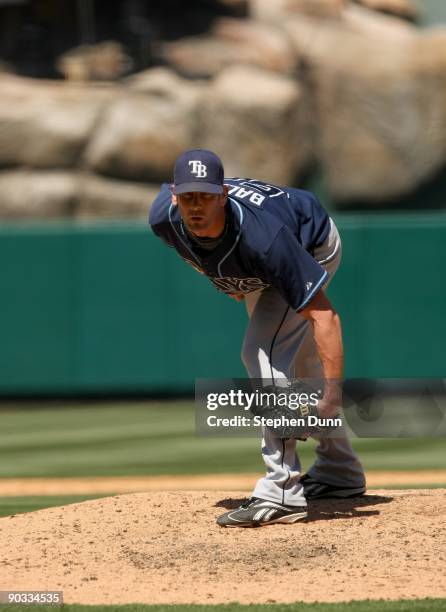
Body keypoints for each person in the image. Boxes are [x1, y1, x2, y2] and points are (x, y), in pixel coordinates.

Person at [149, 148, 366, 527]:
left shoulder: (266, 239)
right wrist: (222, 277)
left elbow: (326, 317)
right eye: (188, 197)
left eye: (205, 196)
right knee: (292, 367)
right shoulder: (162, 218)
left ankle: (282, 492)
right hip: (257, 262)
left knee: (262, 354)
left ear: (223, 195)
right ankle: (340, 473)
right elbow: (194, 250)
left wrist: (332, 397)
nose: (195, 206)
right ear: (173, 196)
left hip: (309, 242)